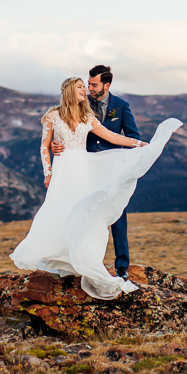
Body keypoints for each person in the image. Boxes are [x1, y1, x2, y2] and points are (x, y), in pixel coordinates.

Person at [10, 77, 182, 300]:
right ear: (70, 90)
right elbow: (44, 145)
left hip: (83, 168)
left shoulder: (87, 116)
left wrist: (141, 145)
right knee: (59, 209)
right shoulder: (52, 115)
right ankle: (59, 257)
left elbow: (111, 137)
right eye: (81, 87)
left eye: (86, 86)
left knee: (82, 212)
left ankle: (80, 258)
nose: (85, 91)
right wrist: (48, 172)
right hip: (63, 169)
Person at [50, 65, 137, 280]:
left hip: (112, 170)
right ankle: (81, 261)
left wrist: (124, 160)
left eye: (94, 84)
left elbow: (130, 135)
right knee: (82, 212)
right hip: (85, 168)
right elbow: (65, 129)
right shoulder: (80, 102)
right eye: (87, 84)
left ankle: (122, 266)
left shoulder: (121, 106)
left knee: (117, 215)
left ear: (106, 85)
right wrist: (55, 144)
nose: (89, 88)